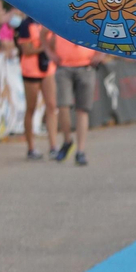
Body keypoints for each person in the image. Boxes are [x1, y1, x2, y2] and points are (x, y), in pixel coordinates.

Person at [51, 33, 100, 166]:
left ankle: (80, 150)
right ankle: (67, 141)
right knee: (63, 106)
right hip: (64, 66)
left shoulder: (91, 14)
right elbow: (45, 33)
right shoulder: (60, 15)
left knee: (82, 110)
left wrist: (101, 54)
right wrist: (49, 52)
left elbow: (105, 31)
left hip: (86, 66)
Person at [16, 14, 58, 159]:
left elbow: (53, 44)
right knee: (31, 107)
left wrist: (46, 44)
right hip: (31, 70)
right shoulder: (26, 24)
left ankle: (53, 146)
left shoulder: (49, 21)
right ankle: (31, 148)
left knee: (51, 106)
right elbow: (26, 50)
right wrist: (44, 46)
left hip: (47, 69)